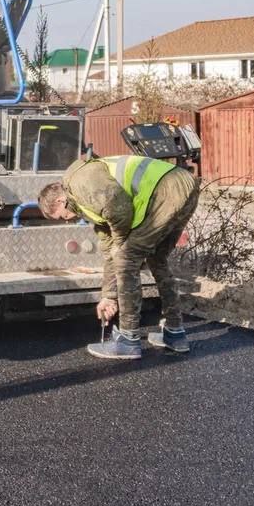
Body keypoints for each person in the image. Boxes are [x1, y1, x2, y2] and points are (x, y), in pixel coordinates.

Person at [38, 153, 200, 359]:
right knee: (157, 259)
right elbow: (109, 253)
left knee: (126, 259)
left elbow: (120, 210)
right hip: (182, 186)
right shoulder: (88, 202)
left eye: (62, 216)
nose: (67, 220)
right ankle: (175, 333)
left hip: (166, 189)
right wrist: (109, 296)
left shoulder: (81, 182)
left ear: (60, 200)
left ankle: (128, 340)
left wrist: (122, 247)